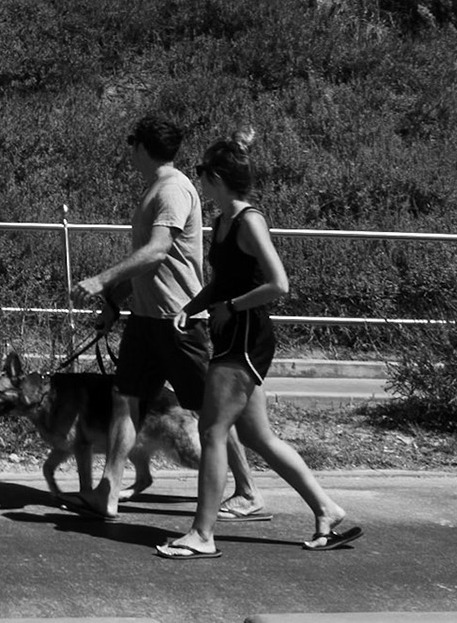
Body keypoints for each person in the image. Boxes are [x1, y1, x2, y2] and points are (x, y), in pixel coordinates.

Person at [154, 130, 362, 560]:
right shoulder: (222, 222)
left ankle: (202, 534)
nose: (199, 179)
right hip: (230, 334)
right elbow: (223, 281)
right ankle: (327, 510)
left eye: (202, 172)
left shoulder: (250, 221)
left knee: (212, 432)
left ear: (216, 177)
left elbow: (278, 284)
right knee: (257, 436)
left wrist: (231, 306)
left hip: (246, 338)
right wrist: (192, 307)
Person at [71, 114, 263, 520]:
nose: (130, 152)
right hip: (145, 319)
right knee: (125, 400)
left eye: (132, 145)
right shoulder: (155, 188)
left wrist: (102, 280)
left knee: (211, 410)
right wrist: (114, 303)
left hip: (179, 320)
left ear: (142, 147)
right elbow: (147, 263)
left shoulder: (174, 188)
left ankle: (247, 491)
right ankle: (108, 491)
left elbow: (158, 251)